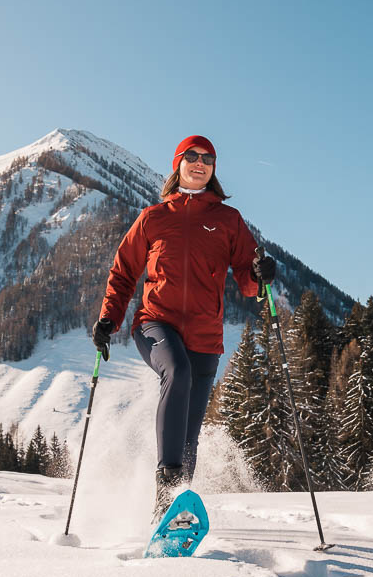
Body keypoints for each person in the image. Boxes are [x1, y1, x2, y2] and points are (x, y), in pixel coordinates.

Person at [91, 134, 276, 518]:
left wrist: (260, 274)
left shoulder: (228, 220)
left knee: (190, 434)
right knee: (176, 371)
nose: (200, 162)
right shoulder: (154, 217)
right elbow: (124, 271)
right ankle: (165, 488)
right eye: (191, 156)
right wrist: (109, 318)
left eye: (208, 158)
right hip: (155, 322)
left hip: (207, 336)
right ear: (177, 165)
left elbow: (247, 279)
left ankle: (171, 513)